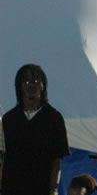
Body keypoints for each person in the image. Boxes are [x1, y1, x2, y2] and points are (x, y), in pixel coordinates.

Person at [1, 64, 70, 195]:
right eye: (26, 81)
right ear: (20, 87)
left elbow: (57, 160)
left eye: (36, 81)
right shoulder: (9, 119)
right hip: (11, 188)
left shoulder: (54, 118)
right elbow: (3, 159)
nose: (31, 85)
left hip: (41, 188)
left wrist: (53, 190)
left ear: (43, 85)